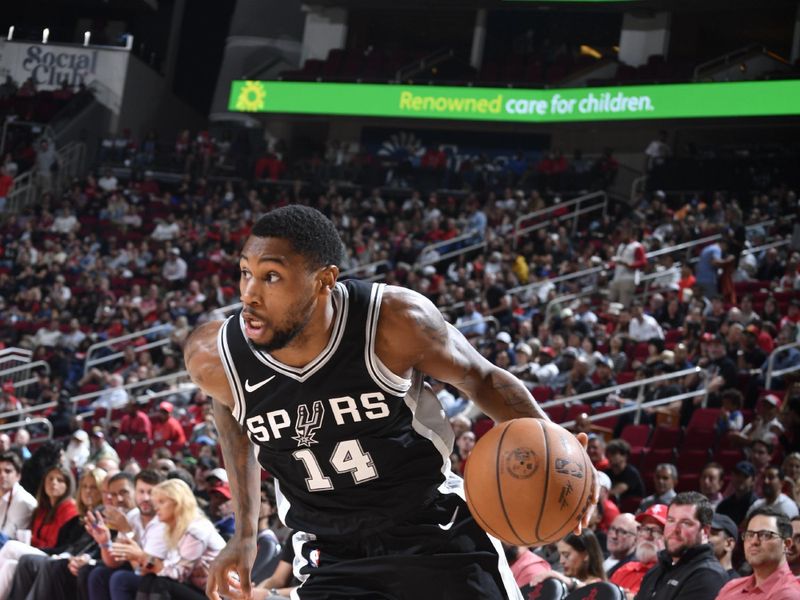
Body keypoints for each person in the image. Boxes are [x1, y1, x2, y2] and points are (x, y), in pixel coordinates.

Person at [183, 205, 598, 600]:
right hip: (331, 551)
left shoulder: (394, 323)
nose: (249, 294)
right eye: (244, 273)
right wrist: (244, 534)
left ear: (324, 280)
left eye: (271, 277)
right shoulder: (215, 358)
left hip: (431, 529)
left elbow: (485, 379)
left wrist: (564, 456)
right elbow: (230, 407)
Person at [112, 479, 225, 600]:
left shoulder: (195, 530)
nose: (156, 508)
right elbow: (167, 567)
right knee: (150, 579)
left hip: (220, 595)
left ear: (178, 503)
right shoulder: (175, 529)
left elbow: (178, 574)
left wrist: (141, 557)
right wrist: (145, 561)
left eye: (162, 502)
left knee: (161, 584)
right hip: (201, 589)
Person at [0, 465, 79, 596]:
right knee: (10, 566)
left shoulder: (70, 509)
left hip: (54, 557)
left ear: (68, 485)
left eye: (60, 480)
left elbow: (59, 545)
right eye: (50, 479)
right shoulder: (42, 509)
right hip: (36, 551)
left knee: (10, 546)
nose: (54, 483)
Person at [633, 492, 728, 600]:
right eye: (671, 520)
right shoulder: (656, 570)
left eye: (686, 523)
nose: (675, 529)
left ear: (705, 531)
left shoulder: (709, 575)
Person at [715, 507, 800, 599]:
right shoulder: (731, 587)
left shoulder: (789, 594)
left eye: (765, 535)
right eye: (750, 535)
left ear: (786, 544)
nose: (754, 541)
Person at [610, 504, 667, 596]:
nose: (648, 536)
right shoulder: (624, 570)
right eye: (644, 529)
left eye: (657, 530)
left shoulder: (671, 576)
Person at [528, 530, 606, 592]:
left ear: (586, 555)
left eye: (566, 555)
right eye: (560, 555)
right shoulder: (562, 580)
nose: (561, 561)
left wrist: (569, 582)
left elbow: (588, 590)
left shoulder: (599, 588)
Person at [0, 452, 37, 544]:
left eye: (7, 471)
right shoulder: (3, 492)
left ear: (18, 476)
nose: (2, 475)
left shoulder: (24, 501)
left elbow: (7, 537)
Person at [717, 462, 758, 527]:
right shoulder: (724, 505)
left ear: (753, 480)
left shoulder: (757, 506)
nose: (740, 479)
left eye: (745, 476)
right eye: (737, 474)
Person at [605, 439, 645, 504]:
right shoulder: (607, 472)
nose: (609, 456)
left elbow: (616, 491)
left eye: (613, 453)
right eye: (608, 453)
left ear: (624, 456)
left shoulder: (631, 473)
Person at [603, 513, 639, 577]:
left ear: (636, 539)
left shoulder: (631, 570)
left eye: (622, 532)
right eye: (612, 528)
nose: (614, 536)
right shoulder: (600, 557)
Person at [708, 512, 739, 578]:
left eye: (713, 533)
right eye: (705, 532)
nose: (705, 537)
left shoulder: (735, 584)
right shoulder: (698, 576)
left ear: (729, 544)